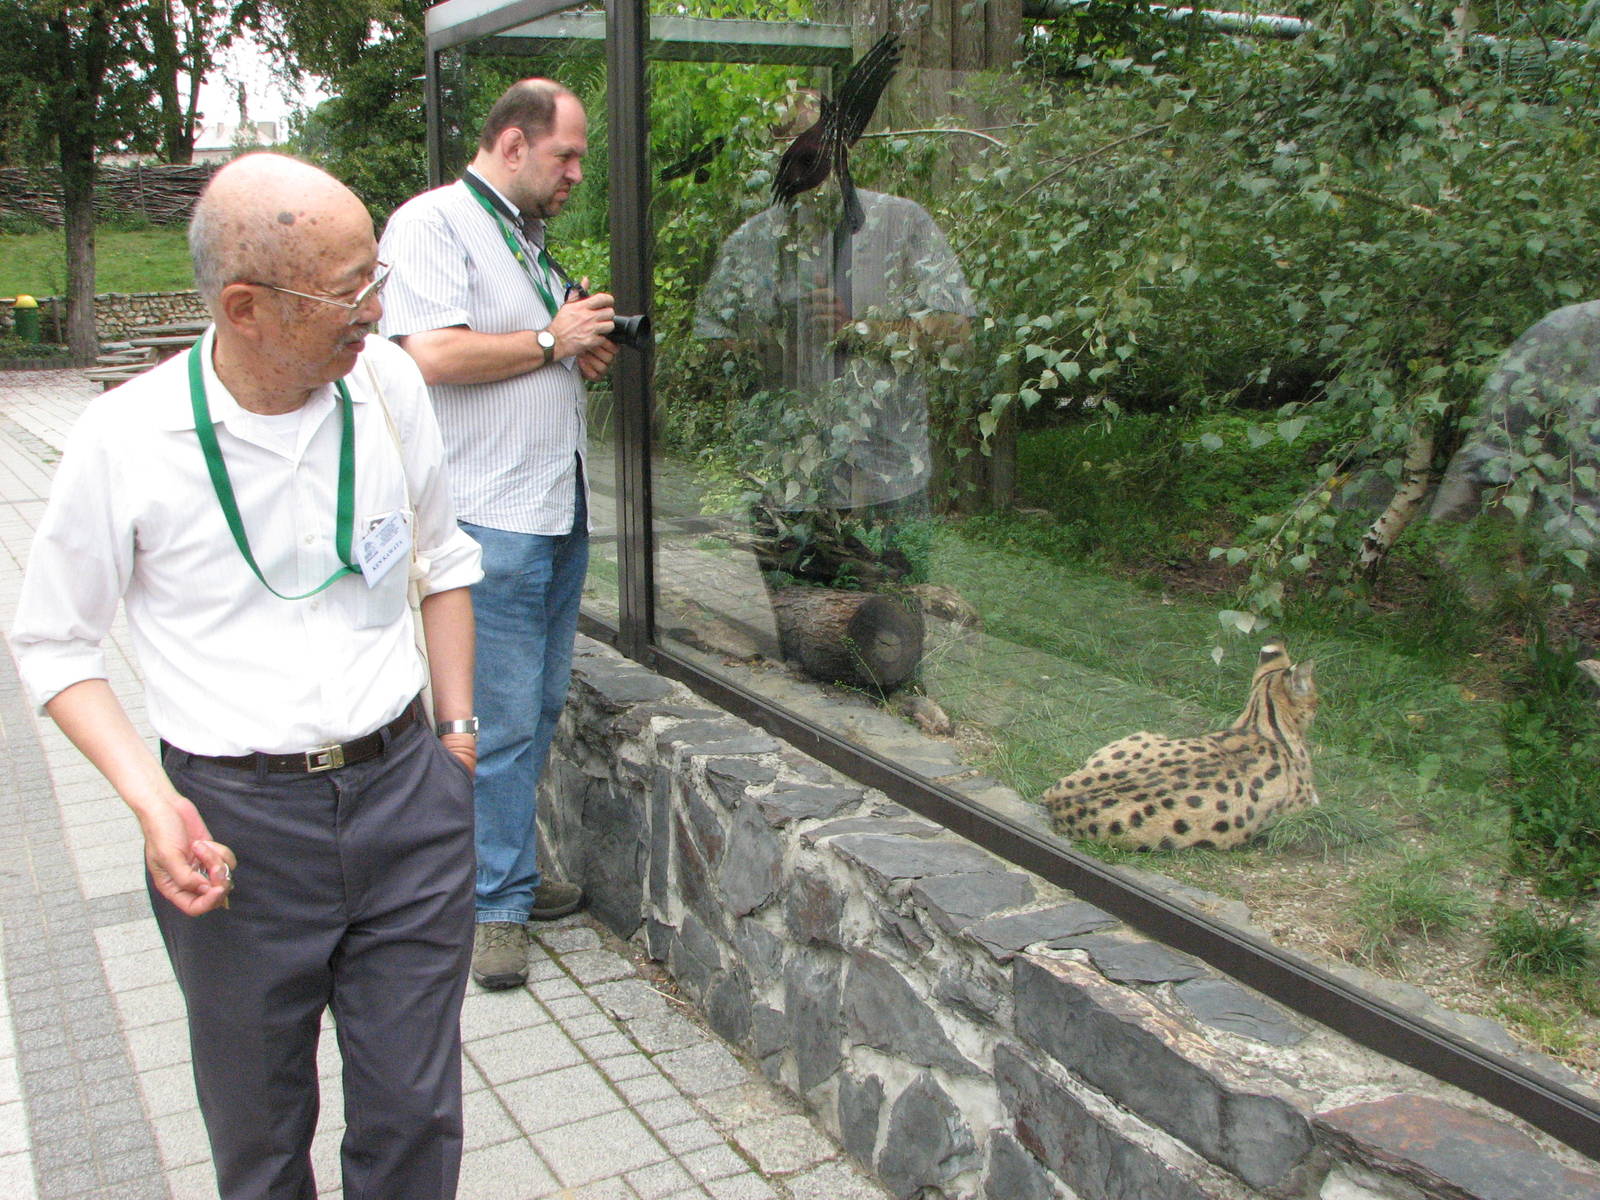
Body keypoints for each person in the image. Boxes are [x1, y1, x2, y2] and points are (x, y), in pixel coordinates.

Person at [9, 153, 485, 1200]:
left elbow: (443, 561)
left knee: (415, 1117)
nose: (376, 309)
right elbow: (54, 644)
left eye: (376, 277)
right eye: (350, 289)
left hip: (406, 799)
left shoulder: (388, 385)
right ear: (245, 307)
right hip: (233, 831)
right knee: (260, 1139)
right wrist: (153, 804)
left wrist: (456, 741)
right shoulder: (128, 439)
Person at [378, 78, 617, 990]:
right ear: (512, 144)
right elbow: (430, 354)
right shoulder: (432, 223)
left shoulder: (524, 236)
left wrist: (575, 345)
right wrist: (552, 342)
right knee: (496, 721)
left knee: (538, 708)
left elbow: (531, 345)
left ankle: (504, 871)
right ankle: (490, 909)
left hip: (555, 507)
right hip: (491, 516)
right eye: (566, 155)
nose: (576, 173)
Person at [695, 92, 975, 592]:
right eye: (789, 155)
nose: (803, 167)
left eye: (813, 150)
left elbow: (957, 330)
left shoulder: (903, 223)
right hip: (787, 483)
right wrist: (774, 339)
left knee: (897, 615)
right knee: (794, 620)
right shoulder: (753, 240)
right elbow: (713, 346)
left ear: (843, 147)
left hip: (890, 475)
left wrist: (859, 330)